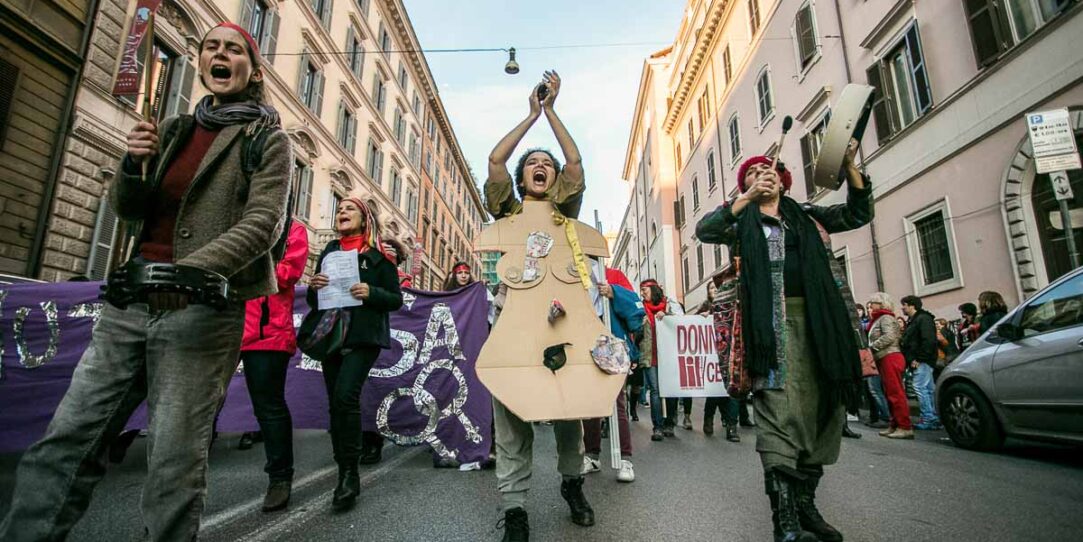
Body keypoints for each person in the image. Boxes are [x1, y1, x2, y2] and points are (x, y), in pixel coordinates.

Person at [0, 22, 291, 540]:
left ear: (253, 69)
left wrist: (195, 270)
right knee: (66, 442)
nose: (219, 55)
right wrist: (132, 166)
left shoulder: (266, 140)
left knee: (173, 462)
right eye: (210, 48)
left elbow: (263, 222)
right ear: (201, 64)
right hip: (128, 308)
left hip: (199, 312)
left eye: (234, 50)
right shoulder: (174, 129)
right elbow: (131, 210)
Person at [695, 138, 871, 542]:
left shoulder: (807, 217)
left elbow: (858, 212)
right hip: (768, 332)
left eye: (768, 171)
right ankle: (785, 517)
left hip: (823, 329)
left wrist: (850, 165)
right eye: (753, 174)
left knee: (825, 413)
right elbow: (706, 229)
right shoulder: (740, 224)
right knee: (777, 415)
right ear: (745, 187)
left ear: (784, 180)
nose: (762, 175)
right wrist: (745, 200)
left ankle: (806, 505)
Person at [484, 72, 593, 542]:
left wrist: (551, 110)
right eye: (534, 163)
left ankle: (573, 484)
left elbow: (573, 159)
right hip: (511, 319)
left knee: (570, 409)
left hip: (561, 321)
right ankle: (514, 509)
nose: (543, 166)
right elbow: (494, 159)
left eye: (547, 164)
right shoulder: (506, 211)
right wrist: (530, 115)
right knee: (510, 416)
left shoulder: (564, 212)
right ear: (523, 177)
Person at [308, 197, 404, 511]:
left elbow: (395, 300)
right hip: (331, 334)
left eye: (349, 209)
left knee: (346, 396)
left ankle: (349, 474)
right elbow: (314, 300)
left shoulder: (380, 256)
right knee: (336, 402)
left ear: (364, 219)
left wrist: (371, 292)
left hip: (363, 335)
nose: (342, 212)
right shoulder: (330, 251)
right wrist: (315, 286)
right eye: (339, 209)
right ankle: (345, 468)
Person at [238, 221, 309, 512]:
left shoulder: (293, 229)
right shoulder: (234, 217)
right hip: (221, 324)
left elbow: (287, 273)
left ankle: (280, 477)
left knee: (268, 407)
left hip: (266, 332)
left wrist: (240, 268)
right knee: (194, 405)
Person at [581, 267, 643, 483]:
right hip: (586, 345)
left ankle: (625, 459)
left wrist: (614, 292)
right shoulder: (575, 274)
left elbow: (636, 306)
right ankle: (592, 455)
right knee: (589, 405)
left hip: (613, 346)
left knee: (617, 403)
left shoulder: (613, 275)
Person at [638, 279, 684, 441]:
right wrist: (638, 325)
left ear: (654, 289)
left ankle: (669, 424)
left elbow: (681, 319)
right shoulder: (640, 309)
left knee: (670, 389)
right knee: (655, 391)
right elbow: (635, 333)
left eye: (645, 289)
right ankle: (657, 427)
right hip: (650, 356)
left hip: (668, 355)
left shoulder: (668, 305)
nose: (642, 293)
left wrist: (668, 315)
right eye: (641, 290)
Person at [695, 281, 741, 442]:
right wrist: (703, 317)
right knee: (714, 392)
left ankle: (732, 427)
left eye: (717, 288)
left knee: (731, 392)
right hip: (711, 357)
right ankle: (708, 418)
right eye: (712, 288)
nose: (715, 290)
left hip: (731, 354)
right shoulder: (704, 308)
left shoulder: (733, 304)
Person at [866, 294, 913, 439]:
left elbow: (889, 336)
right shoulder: (880, 319)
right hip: (884, 357)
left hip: (890, 356)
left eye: (872, 303)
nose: (870, 306)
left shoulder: (886, 318)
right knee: (889, 392)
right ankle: (895, 424)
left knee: (895, 392)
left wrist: (872, 347)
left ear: (881, 304)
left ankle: (904, 426)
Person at [900, 295, 941, 430]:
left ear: (912, 305)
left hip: (922, 360)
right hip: (921, 359)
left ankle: (928, 417)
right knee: (928, 389)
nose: (903, 307)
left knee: (920, 387)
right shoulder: (916, 320)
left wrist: (919, 358)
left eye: (904, 305)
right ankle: (933, 417)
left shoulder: (922, 319)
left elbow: (928, 340)